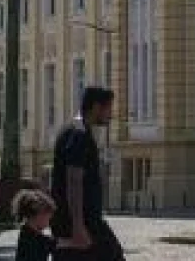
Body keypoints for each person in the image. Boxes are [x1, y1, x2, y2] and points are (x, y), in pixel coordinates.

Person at [50, 86, 121, 261]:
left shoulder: (73, 131)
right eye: (108, 109)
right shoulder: (79, 135)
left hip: (79, 219)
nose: (111, 115)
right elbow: (74, 180)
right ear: (96, 107)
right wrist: (78, 225)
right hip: (81, 221)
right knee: (112, 254)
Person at [13, 189, 58, 261]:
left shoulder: (27, 233)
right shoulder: (32, 240)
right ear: (39, 215)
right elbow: (50, 244)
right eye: (48, 218)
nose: (49, 222)